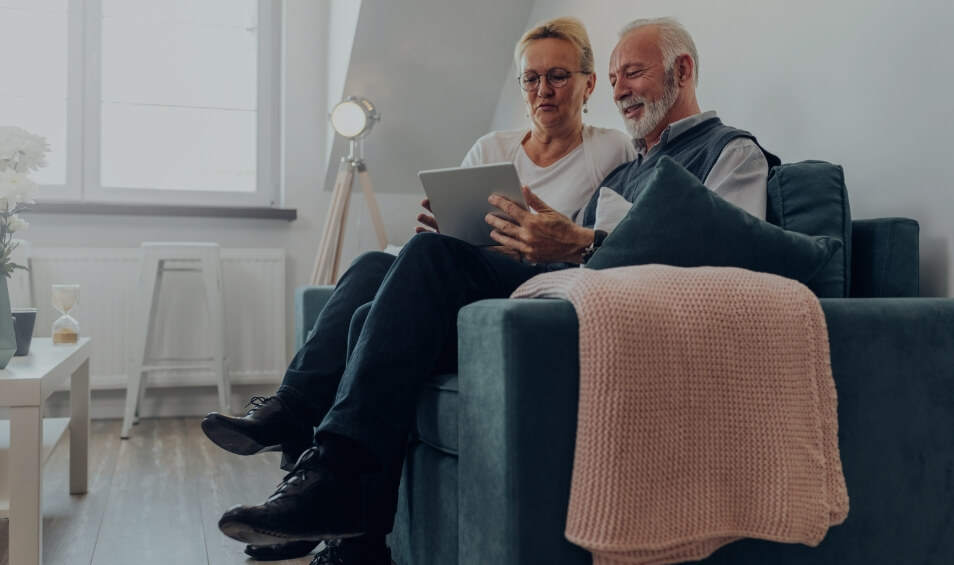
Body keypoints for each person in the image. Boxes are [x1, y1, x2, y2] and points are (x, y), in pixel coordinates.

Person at [209, 17, 780, 565]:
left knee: (427, 258)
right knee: (371, 292)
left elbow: (734, 251)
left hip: (578, 305)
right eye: (614, 78)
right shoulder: (632, 167)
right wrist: (545, 242)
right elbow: (592, 241)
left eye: (633, 73)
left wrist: (575, 241)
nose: (620, 90)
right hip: (551, 287)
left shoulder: (728, 152)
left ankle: (330, 478)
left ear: (682, 69)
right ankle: (347, 524)